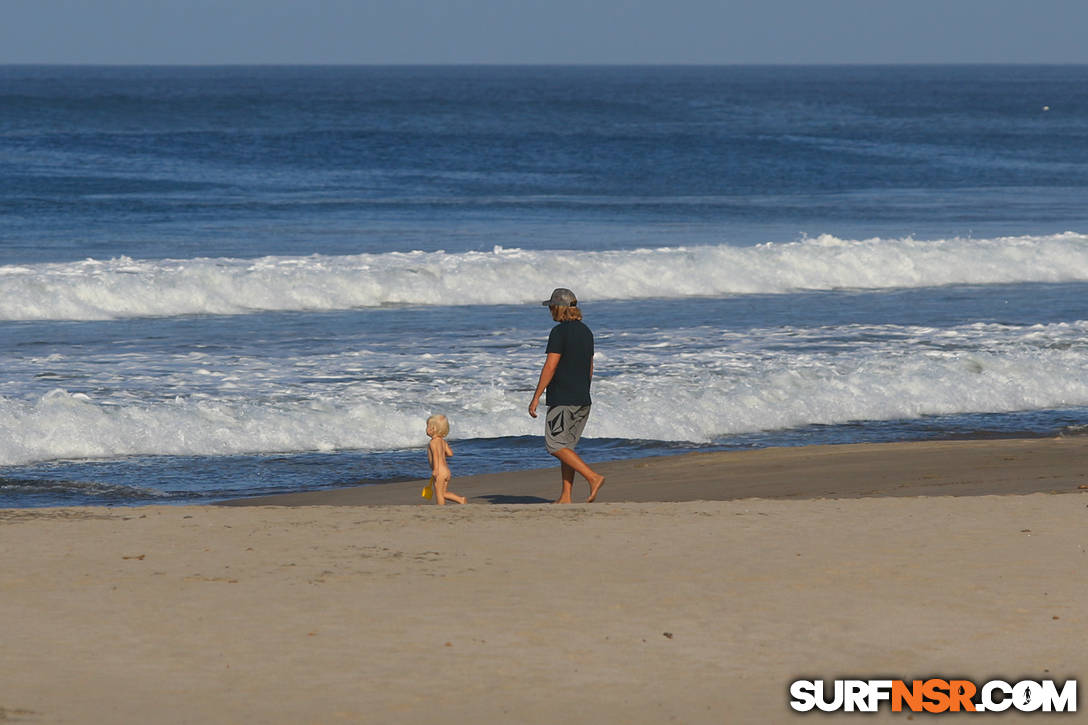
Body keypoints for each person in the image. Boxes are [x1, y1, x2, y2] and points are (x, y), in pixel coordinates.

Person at [528, 288, 605, 503]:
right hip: (582, 398)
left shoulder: (559, 333)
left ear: (558, 308)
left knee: (554, 445)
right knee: (567, 447)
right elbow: (589, 366)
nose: (550, 311)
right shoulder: (586, 331)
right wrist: (583, 390)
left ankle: (593, 477)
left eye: (551, 307)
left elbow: (550, 366)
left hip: (563, 399)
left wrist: (536, 397)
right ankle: (566, 496)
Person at [425, 414, 466, 505]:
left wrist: (435, 470)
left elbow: (435, 455)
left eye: (427, 426)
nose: (426, 429)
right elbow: (450, 454)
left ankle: (441, 508)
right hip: (446, 471)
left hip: (439, 471)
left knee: (439, 494)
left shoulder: (433, 442)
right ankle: (460, 500)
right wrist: (442, 456)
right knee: (443, 493)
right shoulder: (443, 442)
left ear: (433, 429)